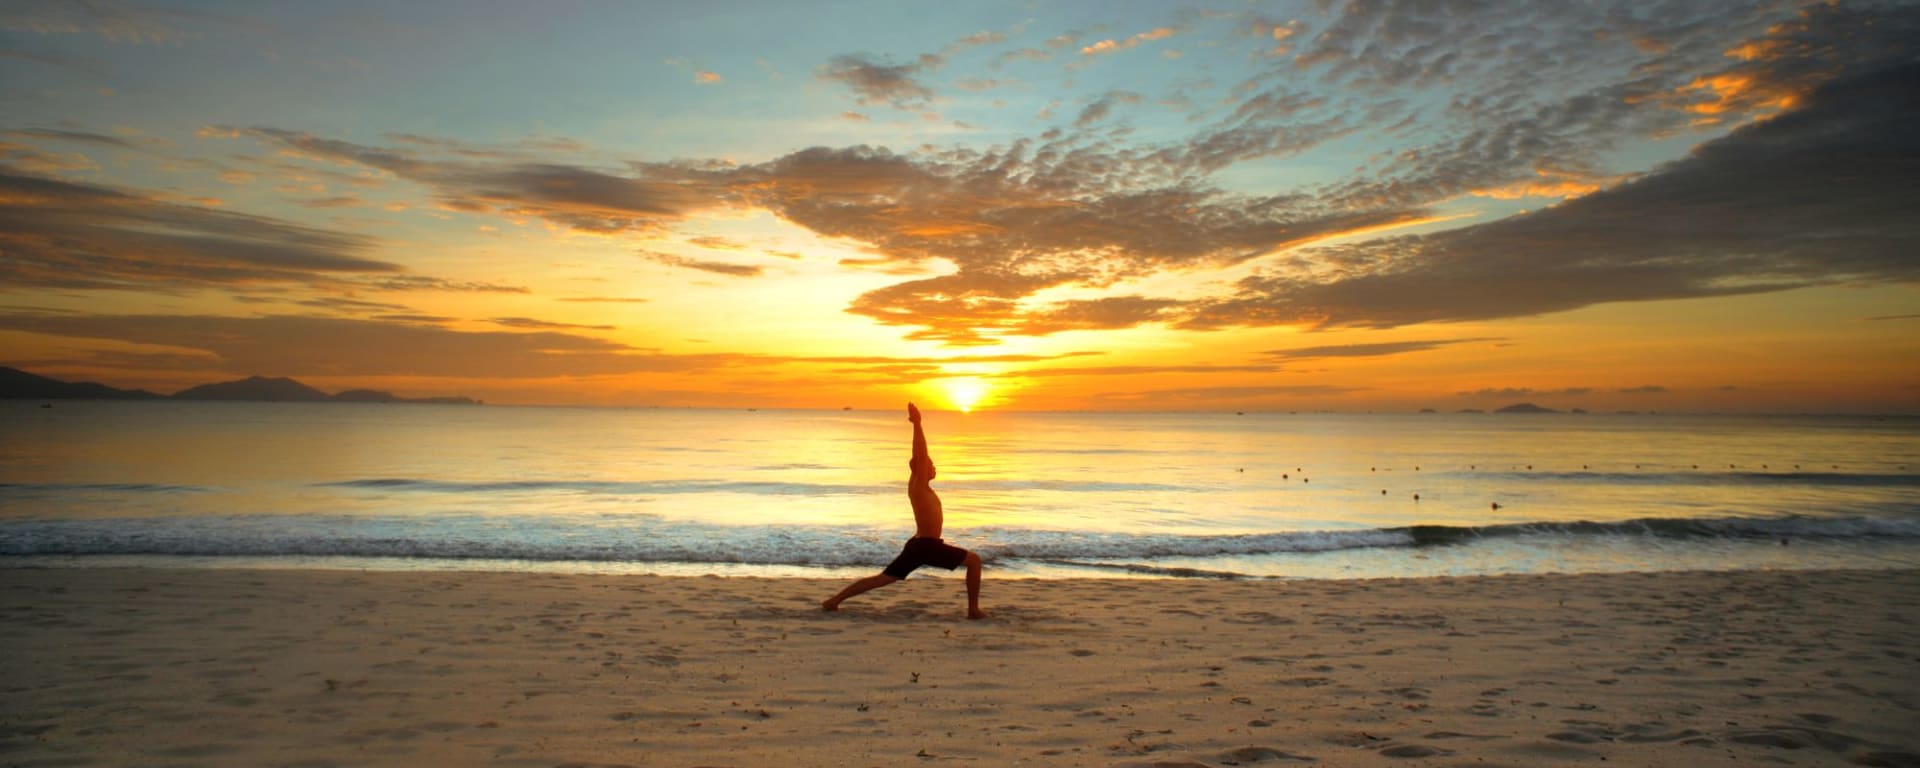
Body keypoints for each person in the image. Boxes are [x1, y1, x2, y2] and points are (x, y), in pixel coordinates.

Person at [823, 402, 985, 619]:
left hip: (919, 545)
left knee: (884, 578)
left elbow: (918, 458)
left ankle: (834, 600)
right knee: (974, 562)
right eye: (931, 464)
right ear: (921, 468)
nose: (935, 467)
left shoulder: (920, 487)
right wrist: (917, 424)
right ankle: (973, 610)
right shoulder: (918, 487)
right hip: (926, 546)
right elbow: (919, 452)